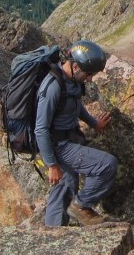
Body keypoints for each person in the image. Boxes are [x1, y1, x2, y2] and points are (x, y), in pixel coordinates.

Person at [34, 40, 117, 227]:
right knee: (106, 164)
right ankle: (81, 206)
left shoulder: (71, 82)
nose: (90, 79)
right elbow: (40, 128)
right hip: (59, 146)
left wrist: (94, 124)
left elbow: (76, 106)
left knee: (64, 188)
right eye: (88, 74)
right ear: (76, 66)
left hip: (67, 140)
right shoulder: (53, 87)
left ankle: (54, 236)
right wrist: (52, 165)